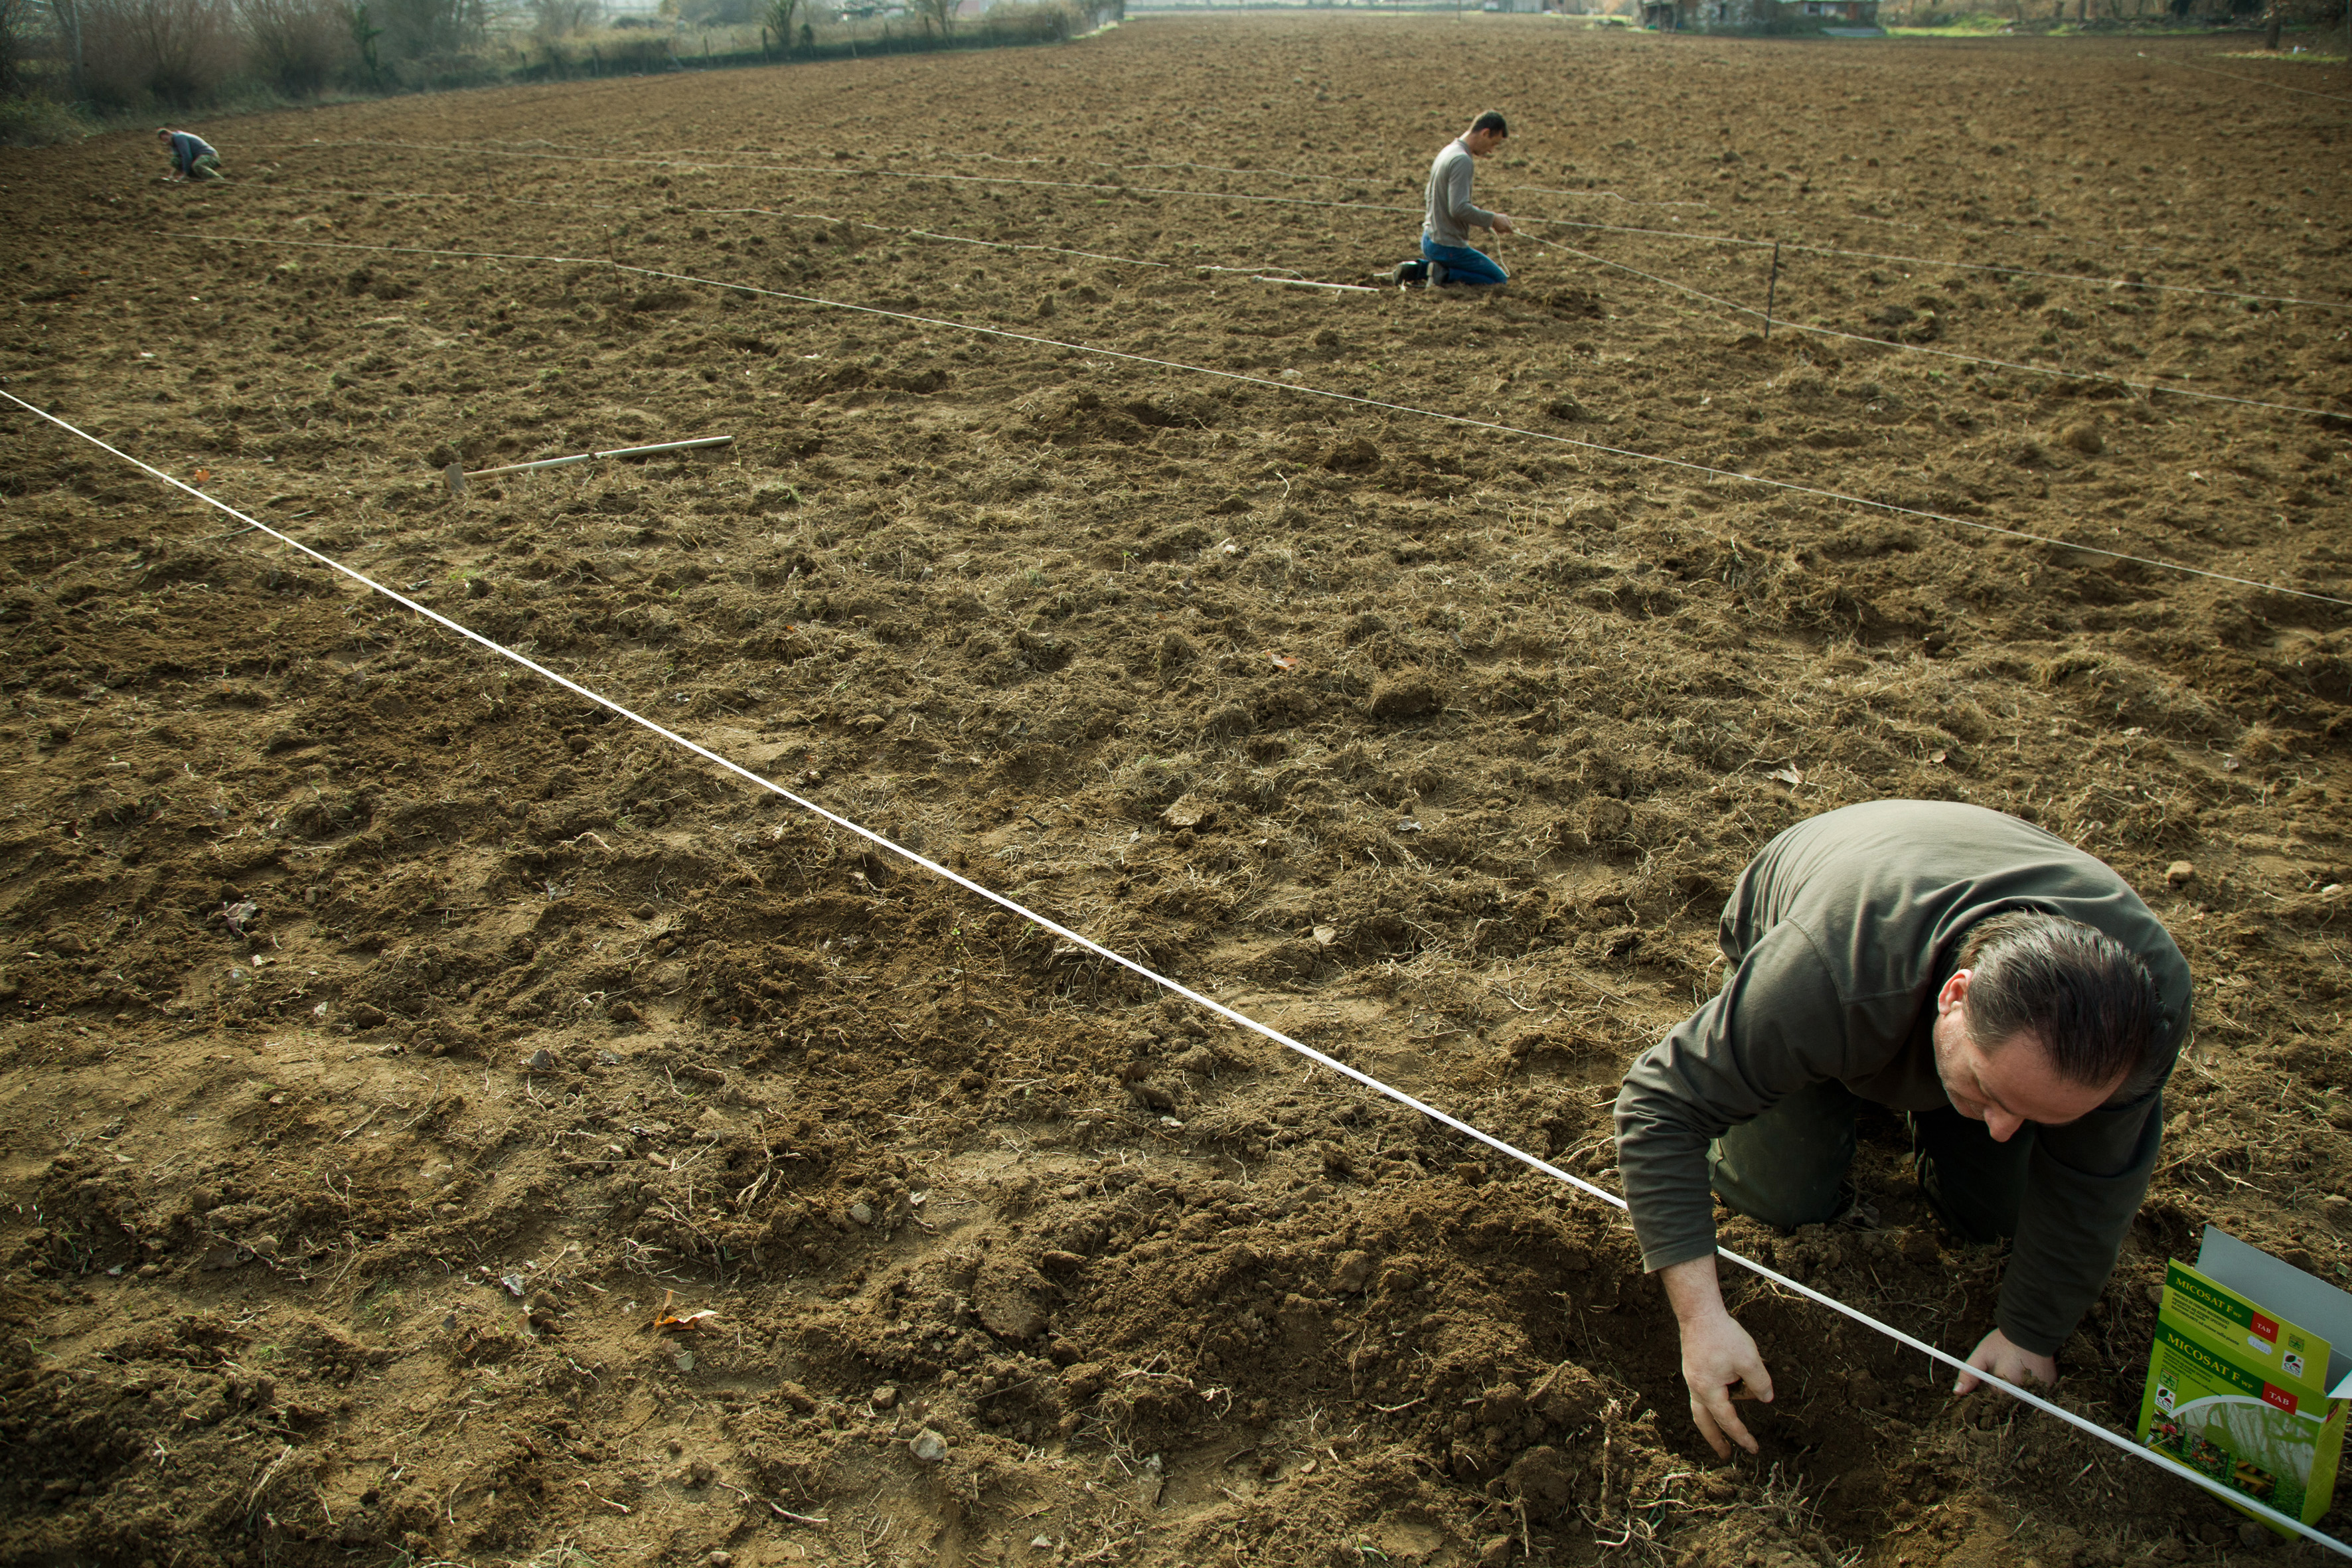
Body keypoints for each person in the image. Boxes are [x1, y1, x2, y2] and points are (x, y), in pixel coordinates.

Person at [1612, 800, 2192, 1460]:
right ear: (1956, 996)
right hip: (1835, 900)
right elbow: (1661, 1103)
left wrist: (2031, 1332)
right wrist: (1702, 1319)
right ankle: (1847, 1075)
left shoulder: (2145, 1018)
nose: (2005, 1131)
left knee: (1999, 1215)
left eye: (2037, 1116)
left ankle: (1962, 1093)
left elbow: (2099, 1176)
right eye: (1989, 1092)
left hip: (1959, 934)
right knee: (1782, 1200)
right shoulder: (1827, 973)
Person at [1393, 111, 1516, 289]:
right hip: (1447, 247)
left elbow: (1431, 194)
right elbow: (1458, 208)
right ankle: (1440, 273)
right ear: (1485, 133)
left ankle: (1423, 269)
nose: (1491, 150)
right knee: (1498, 279)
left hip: (1429, 239)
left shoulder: (1448, 150)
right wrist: (1493, 220)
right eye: (1493, 143)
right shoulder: (1462, 160)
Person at [158, 127, 224, 183]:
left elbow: (187, 156)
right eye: (164, 141)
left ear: (169, 134)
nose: (166, 143)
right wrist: (171, 176)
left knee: (197, 165)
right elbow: (179, 158)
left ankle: (218, 179)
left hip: (210, 156)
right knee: (175, 161)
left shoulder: (179, 138)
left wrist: (184, 174)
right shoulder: (173, 143)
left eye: (166, 139)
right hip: (196, 158)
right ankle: (196, 177)